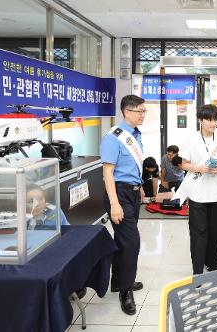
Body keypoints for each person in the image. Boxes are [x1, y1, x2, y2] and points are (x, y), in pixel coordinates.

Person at [100, 95, 146, 315]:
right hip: (118, 195)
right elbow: (107, 172)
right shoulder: (114, 137)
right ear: (127, 112)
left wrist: (140, 186)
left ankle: (118, 281)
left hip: (133, 193)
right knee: (132, 243)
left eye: (144, 111)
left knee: (122, 240)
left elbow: (132, 167)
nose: (143, 114)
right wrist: (114, 204)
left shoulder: (136, 135)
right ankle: (125, 292)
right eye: (140, 111)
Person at [179, 104, 217, 275]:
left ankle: (213, 265)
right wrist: (198, 168)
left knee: (216, 231)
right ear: (200, 120)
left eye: (215, 119)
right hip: (197, 193)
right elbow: (184, 164)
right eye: (208, 119)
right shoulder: (191, 139)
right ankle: (198, 269)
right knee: (198, 231)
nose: (212, 123)